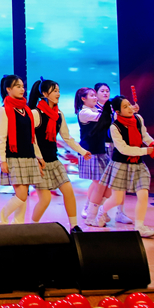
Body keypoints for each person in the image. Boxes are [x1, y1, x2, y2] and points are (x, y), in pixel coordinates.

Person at [29, 79, 89, 232]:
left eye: (58, 90)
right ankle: (31, 227)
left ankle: (74, 226)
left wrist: (82, 151)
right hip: (39, 163)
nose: (58, 94)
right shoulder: (35, 113)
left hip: (54, 161)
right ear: (44, 94)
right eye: (54, 91)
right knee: (45, 199)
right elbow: (31, 139)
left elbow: (67, 137)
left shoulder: (59, 114)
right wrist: (38, 158)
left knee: (68, 191)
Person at [94, 96, 154, 238]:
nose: (130, 108)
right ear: (117, 111)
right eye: (125, 107)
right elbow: (123, 149)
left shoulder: (138, 119)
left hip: (138, 164)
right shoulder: (114, 127)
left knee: (143, 194)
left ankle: (139, 226)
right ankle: (102, 211)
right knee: (117, 199)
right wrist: (146, 151)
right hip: (121, 164)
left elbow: (145, 136)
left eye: (129, 105)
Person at [0, 75, 45, 224]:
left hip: (29, 156)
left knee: (24, 195)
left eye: (22, 86)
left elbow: (32, 137)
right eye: (18, 86)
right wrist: (2, 160)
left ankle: (18, 223)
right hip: (13, 157)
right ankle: (0, 217)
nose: (22, 89)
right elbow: (1, 137)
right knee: (21, 195)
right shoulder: (3, 111)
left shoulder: (27, 110)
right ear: (8, 89)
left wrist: (39, 157)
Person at [76, 87, 111, 225]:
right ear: (83, 99)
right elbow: (104, 118)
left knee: (102, 184)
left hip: (100, 150)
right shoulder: (84, 112)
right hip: (90, 152)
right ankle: (91, 212)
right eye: (92, 95)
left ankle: (98, 210)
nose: (95, 97)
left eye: (95, 95)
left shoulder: (96, 110)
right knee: (99, 184)